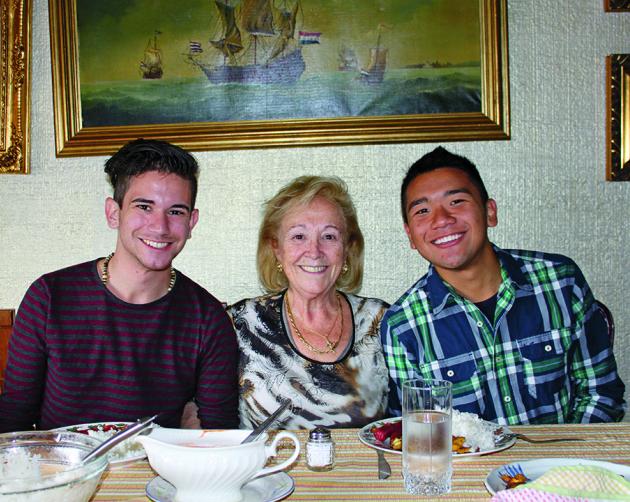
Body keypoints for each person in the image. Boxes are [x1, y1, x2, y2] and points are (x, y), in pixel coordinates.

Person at [0, 139, 239, 432]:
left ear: (192, 222)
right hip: (63, 471)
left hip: (157, 476)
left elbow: (219, 435)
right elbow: (13, 422)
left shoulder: (208, 319)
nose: (160, 226)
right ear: (114, 213)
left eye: (176, 211)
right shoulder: (49, 297)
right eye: (144, 207)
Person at [381, 146, 625, 425]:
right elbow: (418, 433)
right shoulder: (402, 325)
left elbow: (600, 393)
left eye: (457, 201)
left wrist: (564, 464)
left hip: (558, 466)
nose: (441, 220)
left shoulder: (561, 282)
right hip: (466, 469)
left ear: (489, 212)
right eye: (423, 210)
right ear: (411, 235)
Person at [231, 175, 389, 429]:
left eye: (329, 236)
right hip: (262, 469)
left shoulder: (381, 321)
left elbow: (411, 422)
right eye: (298, 236)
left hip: (364, 470)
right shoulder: (239, 324)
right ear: (276, 248)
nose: (314, 252)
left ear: (348, 247)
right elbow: (200, 416)